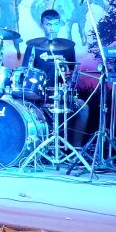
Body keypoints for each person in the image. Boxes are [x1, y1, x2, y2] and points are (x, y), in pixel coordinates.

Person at [22, 10, 89, 146]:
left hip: (61, 93)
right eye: (48, 24)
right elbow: (25, 71)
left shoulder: (68, 47)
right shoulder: (33, 47)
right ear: (42, 25)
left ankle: (76, 149)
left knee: (84, 108)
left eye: (55, 24)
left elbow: (72, 71)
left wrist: (70, 79)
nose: (52, 28)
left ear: (59, 25)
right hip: (39, 94)